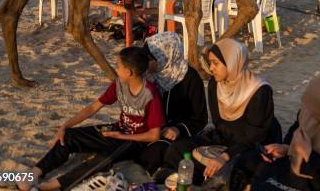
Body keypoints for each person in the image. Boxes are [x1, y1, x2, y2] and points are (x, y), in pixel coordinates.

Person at [17, 47, 164, 191]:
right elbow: (94, 107)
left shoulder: (150, 95)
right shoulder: (119, 84)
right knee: (68, 136)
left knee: (103, 160)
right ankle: (35, 172)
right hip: (117, 130)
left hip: (134, 141)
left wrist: (122, 136)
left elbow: (154, 135)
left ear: (128, 72)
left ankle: (50, 186)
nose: (116, 69)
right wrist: (65, 125)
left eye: (118, 66)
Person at [157, 39, 280, 185]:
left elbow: (255, 136)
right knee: (177, 150)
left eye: (216, 63)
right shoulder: (215, 84)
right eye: (210, 63)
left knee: (240, 170)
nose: (211, 68)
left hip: (252, 145)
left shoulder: (259, 90)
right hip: (224, 139)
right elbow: (219, 125)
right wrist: (219, 150)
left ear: (233, 62)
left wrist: (225, 155)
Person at [138, 32, 209, 175]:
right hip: (156, 128)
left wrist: (178, 129)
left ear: (163, 56)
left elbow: (200, 119)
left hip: (178, 134)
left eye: (149, 59)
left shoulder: (191, 78)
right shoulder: (152, 76)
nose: (145, 63)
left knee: (156, 151)